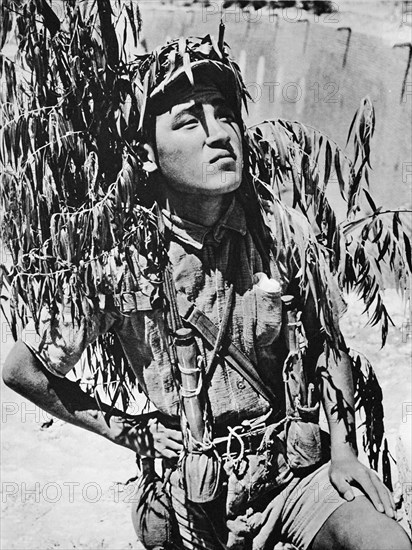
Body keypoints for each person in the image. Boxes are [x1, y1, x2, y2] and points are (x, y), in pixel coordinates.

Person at [2, 34, 411, 550]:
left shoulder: (281, 230)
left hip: (291, 474)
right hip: (192, 492)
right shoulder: (123, 260)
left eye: (224, 115)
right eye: (190, 122)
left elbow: (328, 344)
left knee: (384, 542)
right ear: (147, 155)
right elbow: (22, 369)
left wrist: (345, 452)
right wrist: (126, 430)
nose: (219, 135)